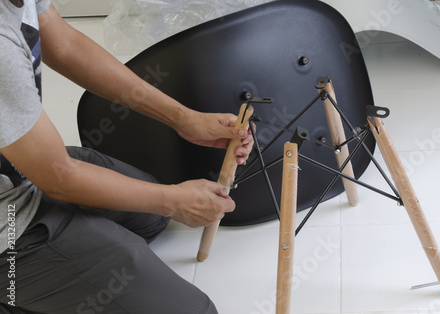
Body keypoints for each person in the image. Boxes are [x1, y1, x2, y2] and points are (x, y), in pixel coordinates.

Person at [0, 0, 254, 313]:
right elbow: (59, 177)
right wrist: (173, 200)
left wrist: (183, 118)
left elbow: (65, 44)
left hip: (21, 170)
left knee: (151, 219)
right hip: (8, 224)